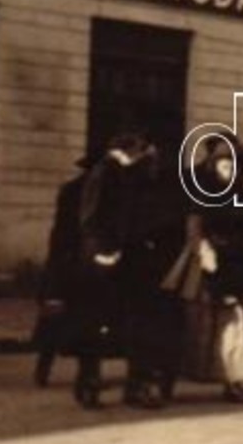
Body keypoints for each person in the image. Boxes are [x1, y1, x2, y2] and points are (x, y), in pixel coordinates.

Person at [166, 137, 243, 402]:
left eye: (234, 165)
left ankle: (233, 382)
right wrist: (205, 254)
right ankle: (169, 382)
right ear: (214, 165)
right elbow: (194, 230)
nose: (230, 170)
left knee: (237, 325)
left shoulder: (238, 193)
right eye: (224, 164)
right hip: (205, 263)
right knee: (196, 324)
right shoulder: (201, 191)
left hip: (235, 263)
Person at [71, 132, 152, 409]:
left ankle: (127, 387)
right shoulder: (105, 173)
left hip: (125, 260)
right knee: (98, 325)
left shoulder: (127, 173)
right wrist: (106, 251)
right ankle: (89, 385)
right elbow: (91, 218)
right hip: (105, 261)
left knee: (127, 325)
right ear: (130, 150)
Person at [119, 142, 190, 409]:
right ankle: (138, 386)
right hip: (141, 273)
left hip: (164, 271)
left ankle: (156, 384)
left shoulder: (167, 192)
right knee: (142, 332)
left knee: (161, 331)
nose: (154, 165)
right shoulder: (134, 192)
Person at [31, 155, 94, 389]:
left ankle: (44, 369)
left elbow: (58, 232)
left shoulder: (70, 190)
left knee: (55, 321)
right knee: (79, 321)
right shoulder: (87, 192)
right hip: (77, 264)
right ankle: (84, 374)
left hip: (64, 262)